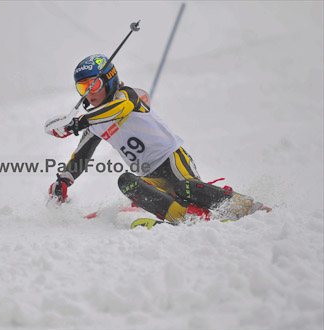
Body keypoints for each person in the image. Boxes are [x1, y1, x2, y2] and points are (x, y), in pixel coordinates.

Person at [48, 54, 266, 223]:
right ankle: (184, 216)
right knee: (126, 182)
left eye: (92, 85)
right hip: (148, 174)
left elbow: (119, 108)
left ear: (109, 80)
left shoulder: (126, 95)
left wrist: (79, 122)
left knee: (186, 188)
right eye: (82, 87)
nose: (88, 92)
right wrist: (63, 181)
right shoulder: (94, 122)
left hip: (171, 159)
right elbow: (81, 156)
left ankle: (247, 207)